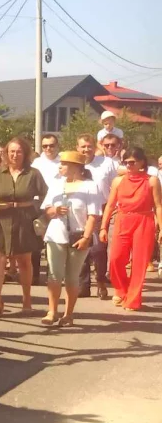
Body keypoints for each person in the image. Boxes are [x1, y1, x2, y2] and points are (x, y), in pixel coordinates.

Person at [0, 136, 49, 317]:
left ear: (25, 153)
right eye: (12, 151)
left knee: (24, 260)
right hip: (0, 218)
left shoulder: (34, 174)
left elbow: (47, 196)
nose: (15, 155)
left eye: (19, 151)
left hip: (25, 219)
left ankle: (27, 300)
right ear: (6, 154)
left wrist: (41, 215)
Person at [40, 151, 100, 327]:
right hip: (56, 234)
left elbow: (93, 215)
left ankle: (68, 314)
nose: (61, 167)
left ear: (76, 167)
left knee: (72, 277)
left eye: (64, 164)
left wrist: (86, 237)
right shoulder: (56, 184)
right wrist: (55, 211)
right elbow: (46, 209)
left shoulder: (90, 186)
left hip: (78, 236)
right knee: (54, 275)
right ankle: (51, 311)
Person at [102, 146, 162, 311]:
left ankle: (133, 299)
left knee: (139, 262)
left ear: (142, 162)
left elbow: (158, 206)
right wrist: (103, 227)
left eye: (132, 162)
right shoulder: (118, 181)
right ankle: (122, 291)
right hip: (122, 219)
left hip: (144, 220)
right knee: (115, 259)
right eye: (126, 162)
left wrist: (161, 228)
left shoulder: (152, 180)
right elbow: (110, 205)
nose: (129, 165)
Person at [78, 133, 120, 299]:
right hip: (80, 211)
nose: (86, 149)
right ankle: (83, 286)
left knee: (98, 250)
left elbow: (116, 186)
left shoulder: (106, 163)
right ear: (77, 148)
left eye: (89, 146)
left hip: (102, 210)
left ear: (94, 147)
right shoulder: (74, 164)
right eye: (83, 146)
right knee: (80, 249)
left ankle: (101, 281)